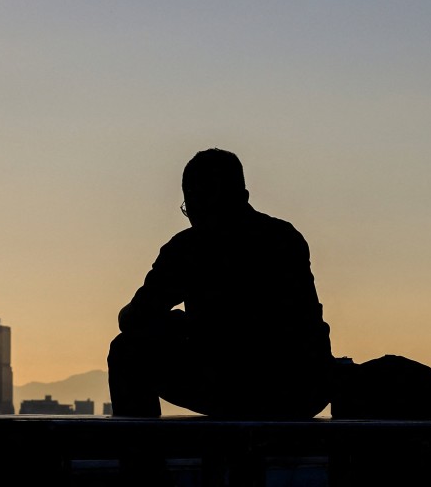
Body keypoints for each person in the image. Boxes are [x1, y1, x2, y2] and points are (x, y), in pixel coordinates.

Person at [108, 147, 334, 419]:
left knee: (126, 351)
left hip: (231, 386)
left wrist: (176, 324)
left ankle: (141, 457)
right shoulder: (284, 237)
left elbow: (135, 319)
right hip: (302, 388)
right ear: (244, 196)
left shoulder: (188, 248)